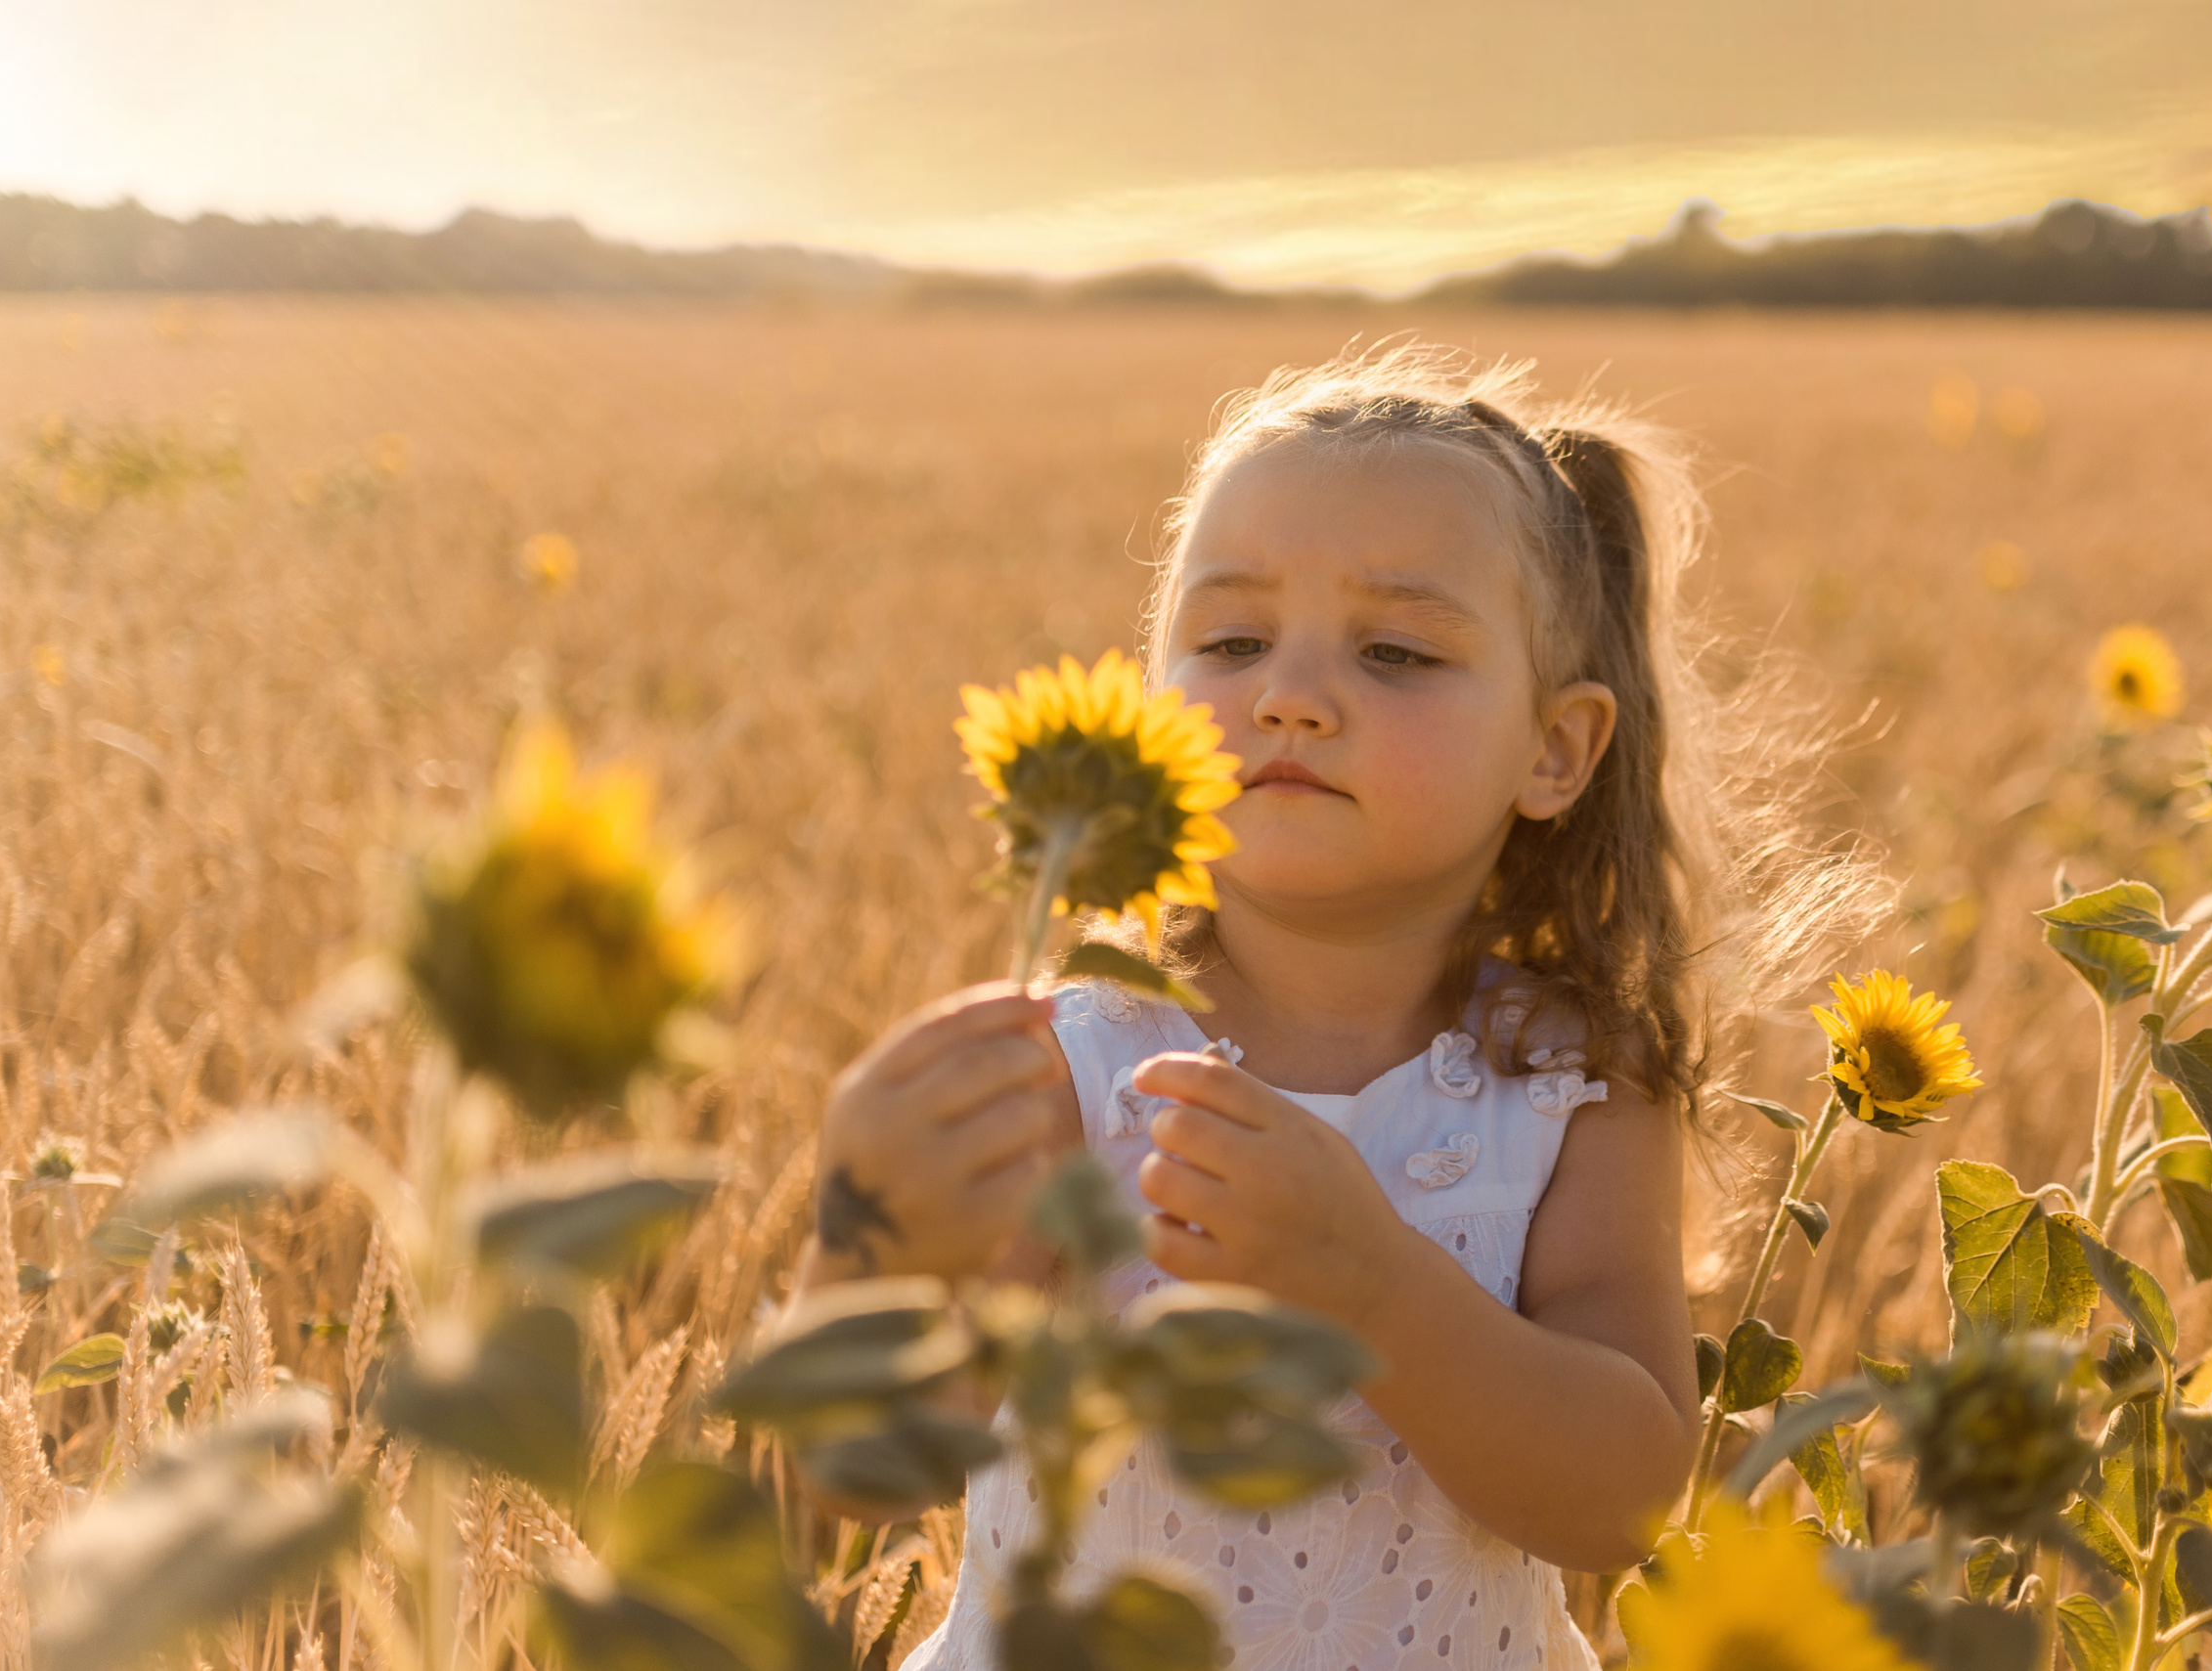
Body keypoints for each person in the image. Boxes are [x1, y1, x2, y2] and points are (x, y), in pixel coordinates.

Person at [801, 339, 1882, 1668]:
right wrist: (862, 1243)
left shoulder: (1573, 1083)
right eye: (1233, 638)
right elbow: (872, 1459)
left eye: (1395, 651)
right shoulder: (1072, 1059)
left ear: (1555, 748)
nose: (1291, 698)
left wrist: (1369, 1282)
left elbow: (1626, 1495)